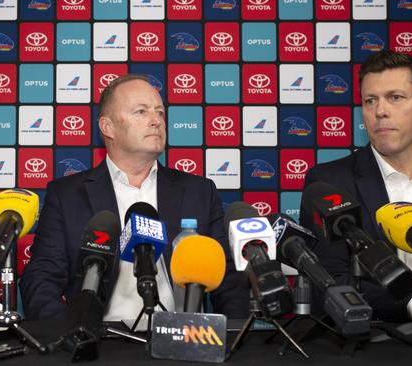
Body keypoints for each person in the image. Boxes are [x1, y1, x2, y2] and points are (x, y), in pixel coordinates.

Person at [20, 75, 248, 321]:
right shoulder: (67, 195)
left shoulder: (199, 191)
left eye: (159, 113)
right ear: (108, 127)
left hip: (183, 342)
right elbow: (41, 278)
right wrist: (65, 337)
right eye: (141, 112)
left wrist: (233, 341)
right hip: (102, 344)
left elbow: (230, 280)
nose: (156, 121)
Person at [301, 51, 412, 322]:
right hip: (373, 346)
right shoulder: (329, 182)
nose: (380, 111)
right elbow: (327, 284)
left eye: (395, 97)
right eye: (370, 101)